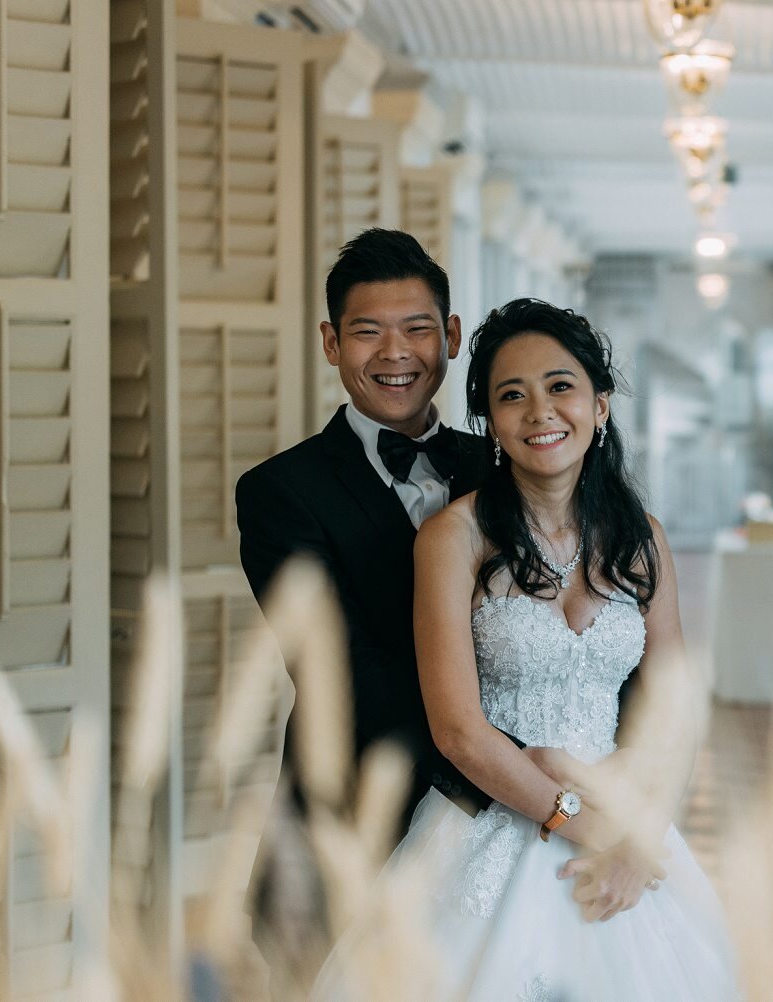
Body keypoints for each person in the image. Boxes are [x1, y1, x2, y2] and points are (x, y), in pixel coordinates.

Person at [319, 298, 737, 999]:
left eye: (561, 386)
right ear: (491, 422)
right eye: (512, 395)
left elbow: (675, 708)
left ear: (600, 407)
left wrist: (642, 835)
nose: (540, 411)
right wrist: (578, 821)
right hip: (491, 822)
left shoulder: (642, 539)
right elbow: (457, 731)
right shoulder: (453, 540)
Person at [236, 229, 512, 967]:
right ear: (332, 342)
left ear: (451, 336)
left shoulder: (508, 464)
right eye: (367, 332)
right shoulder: (277, 494)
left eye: (417, 328)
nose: (395, 353)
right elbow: (337, 666)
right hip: (349, 818)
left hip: (512, 829)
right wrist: (501, 767)